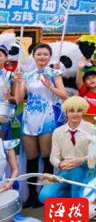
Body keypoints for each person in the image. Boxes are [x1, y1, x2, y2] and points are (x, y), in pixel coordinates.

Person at [14, 43, 69, 207]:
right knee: (31, 158)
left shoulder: (54, 73)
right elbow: (18, 99)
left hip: (47, 116)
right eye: (39, 54)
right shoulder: (27, 75)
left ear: (50, 56)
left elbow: (65, 95)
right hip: (29, 117)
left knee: (46, 157)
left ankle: (45, 194)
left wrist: (49, 86)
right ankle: (31, 196)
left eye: (45, 54)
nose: (42, 57)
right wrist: (18, 83)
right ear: (34, 56)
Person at [39, 96, 96, 202]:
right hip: (64, 170)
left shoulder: (92, 129)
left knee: (77, 176)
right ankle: (69, 192)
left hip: (84, 169)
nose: (75, 114)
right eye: (71, 111)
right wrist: (60, 164)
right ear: (66, 112)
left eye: (79, 110)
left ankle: (76, 198)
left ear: (83, 111)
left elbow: (94, 154)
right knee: (44, 197)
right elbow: (53, 157)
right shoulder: (58, 131)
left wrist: (80, 160)